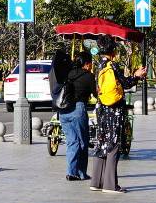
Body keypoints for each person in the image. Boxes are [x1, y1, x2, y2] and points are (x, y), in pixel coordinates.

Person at [89, 48, 136, 194]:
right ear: (112, 51)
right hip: (114, 109)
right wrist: (137, 76)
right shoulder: (112, 65)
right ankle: (110, 184)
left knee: (102, 141)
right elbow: (126, 83)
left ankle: (96, 181)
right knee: (113, 143)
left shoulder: (98, 66)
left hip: (101, 109)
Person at [58, 50, 96, 182]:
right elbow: (96, 93)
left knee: (72, 142)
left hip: (63, 111)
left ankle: (71, 172)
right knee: (83, 142)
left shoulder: (68, 73)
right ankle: (81, 173)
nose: (91, 65)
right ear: (86, 64)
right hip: (78, 109)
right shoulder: (88, 76)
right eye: (90, 63)